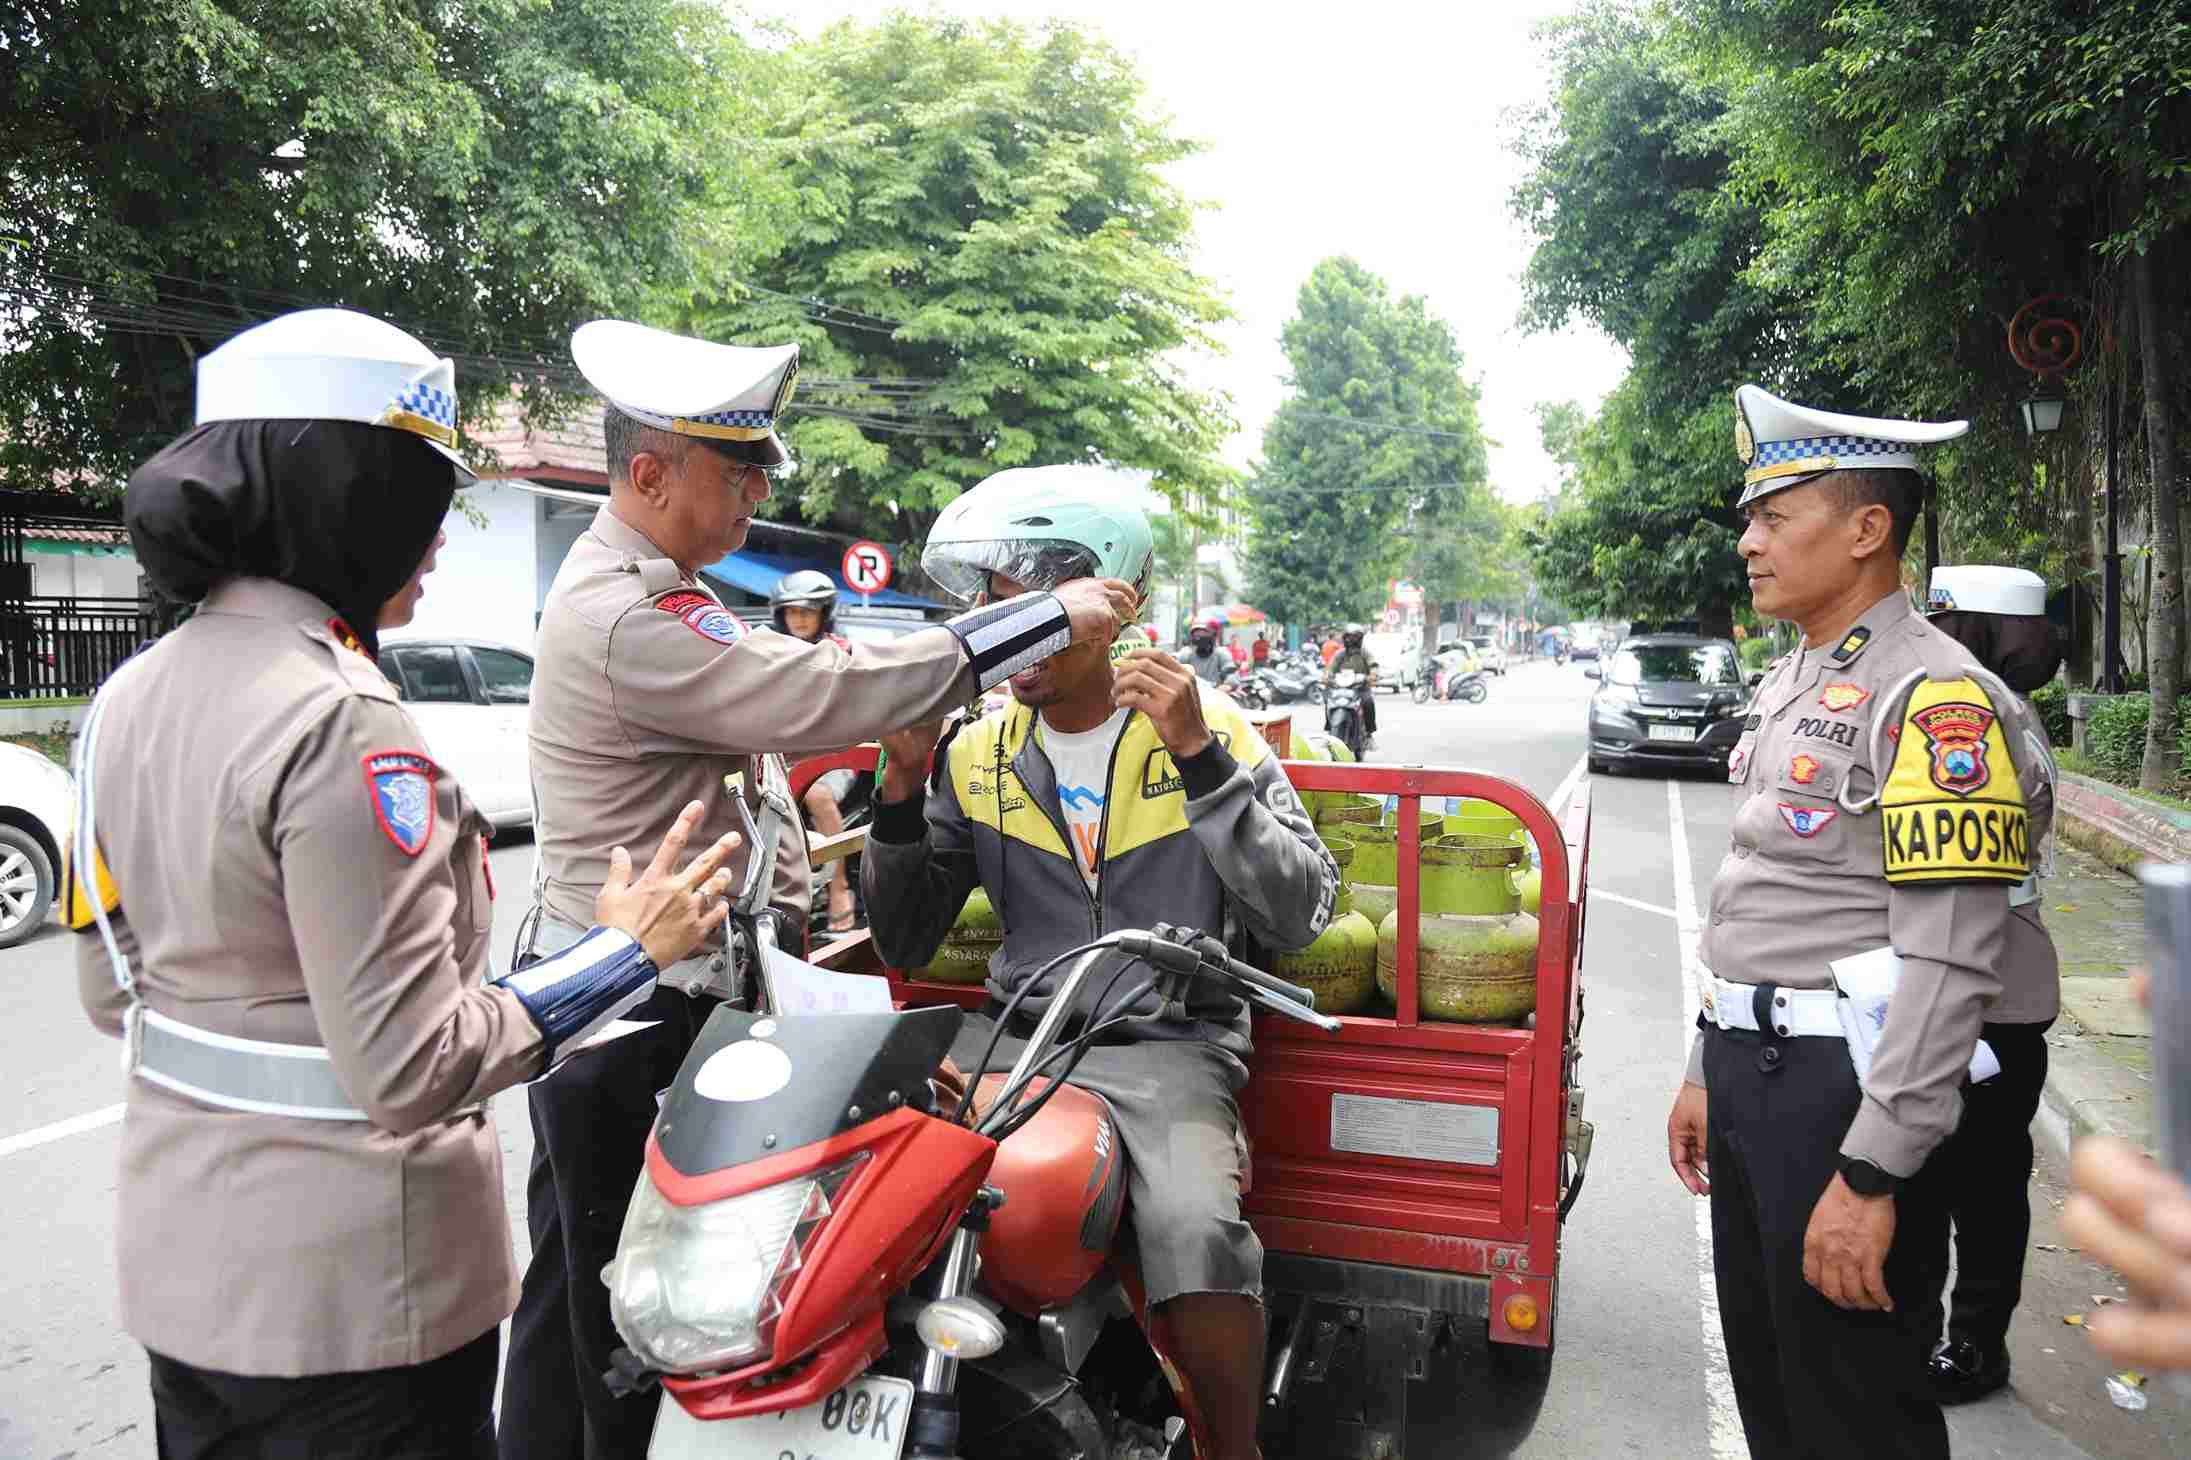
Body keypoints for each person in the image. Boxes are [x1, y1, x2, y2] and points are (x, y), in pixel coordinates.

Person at [66, 308, 742, 1460]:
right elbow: (413, 1062)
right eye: (421, 496)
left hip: (187, 1280)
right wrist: (627, 950)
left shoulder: (127, 694)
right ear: (347, 498)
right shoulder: (340, 720)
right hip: (358, 1306)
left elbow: (109, 991)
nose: (438, 534)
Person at [502, 321, 1136, 1459]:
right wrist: (1040, 618)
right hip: (629, 1012)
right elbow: (824, 692)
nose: (758, 489)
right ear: (650, 474)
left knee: (576, 1304)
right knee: (636, 1328)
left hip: (666, 994)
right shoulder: (626, 616)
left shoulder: (672, 593)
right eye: (736, 468)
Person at [862, 466, 1340, 1460]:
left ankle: (1229, 1445)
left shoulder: (1207, 723)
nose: (1008, 633)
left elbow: (1300, 911)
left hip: (1168, 1044)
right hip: (1012, 1038)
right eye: (995, 608)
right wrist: (900, 788)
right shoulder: (976, 751)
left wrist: (1200, 758)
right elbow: (904, 939)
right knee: (869, 1185)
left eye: (1029, 608)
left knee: (1196, 1232)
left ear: (1106, 603)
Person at [1663, 384, 2053, 1460]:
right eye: (1750, 518)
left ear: (1867, 528)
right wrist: (1707, 1059)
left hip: (1845, 1089)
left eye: (1773, 516)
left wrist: (1874, 1172)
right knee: (1775, 1396)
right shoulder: (1799, 672)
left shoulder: (1936, 700)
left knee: (1851, 1413)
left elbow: (1951, 961)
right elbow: (1762, 887)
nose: (1747, 541)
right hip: (1756, 1070)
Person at [1903, 565, 2064, 1404]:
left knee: (1978, 1184)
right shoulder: (2000, 708)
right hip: (1972, 984)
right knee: (1936, 1174)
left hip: (1988, 996)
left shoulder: (1978, 716)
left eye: (1947, 623)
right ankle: (1931, 1333)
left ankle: (1971, 1344)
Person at [772, 568, 863, 933]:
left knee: (817, 794)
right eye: (792, 611)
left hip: (832, 752)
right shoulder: (770, 650)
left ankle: (839, 888)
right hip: (781, 752)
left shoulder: (840, 651)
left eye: (807, 611)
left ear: (824, 613)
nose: (799, 619)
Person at [1325, 623, 1378, 744]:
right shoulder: (1339, 654)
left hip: (1361, 688)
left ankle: (1369, 734)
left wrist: (1373, 675)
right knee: (1329, 701)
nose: (1352, 640)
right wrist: (1327, 677)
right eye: (1349, 637)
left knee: (1368, 702)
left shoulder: (1365, 653)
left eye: (1355, 637)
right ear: (1345, 638)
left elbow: (1373, 666)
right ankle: (1330, 731)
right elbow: (1330, 669)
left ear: (1360, 639)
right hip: (1341, 688)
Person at [1183, 611, 1237, 687]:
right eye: (1196, 633)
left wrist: (1227, 686)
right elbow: (1173, 660)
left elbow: (1231, 675)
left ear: (1214, 634)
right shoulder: (1187, 653)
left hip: (1215, 692)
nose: (1199, 636)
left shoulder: (1221, 654)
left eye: (1203, 632)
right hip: (1192, 692)